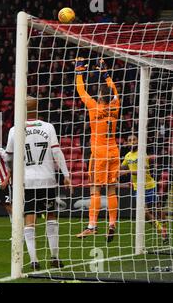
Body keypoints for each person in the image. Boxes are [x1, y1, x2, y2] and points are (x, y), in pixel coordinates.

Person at [6, 96, 71, 270]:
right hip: (47, 179)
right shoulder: (48, 127)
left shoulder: (15, 130)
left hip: (26, 181)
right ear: (38, 108)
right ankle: (55, 257)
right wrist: (66, 174)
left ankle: (34, 260)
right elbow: (57, 153)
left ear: (23, 108)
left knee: (29, 218)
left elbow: (8, 157)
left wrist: (12, 172)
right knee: (51, 216)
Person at [74, 58, 120, 242]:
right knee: (111, 189)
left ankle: (92, 226)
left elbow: (81, 91)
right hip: (114, 151)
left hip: (99, 153)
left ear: (100, 97)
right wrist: (105, 73)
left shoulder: (94, 106)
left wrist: (79, 71)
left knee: (95, 189)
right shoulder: (116, 105)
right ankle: (112, 224)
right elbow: (113, 88)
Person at [121, 135, 169, 244]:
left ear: (138, 141)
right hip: (138, 188)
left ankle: (164, 227)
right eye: (129, 140)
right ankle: (161, 230)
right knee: (145, 213)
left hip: (149, 185)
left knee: (157, 209)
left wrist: (127, 172)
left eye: (134, 139)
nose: (132, 142)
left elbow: (142, 171)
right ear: (127, 143)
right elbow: (121, 168)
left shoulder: (142, 154)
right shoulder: (128, 156)